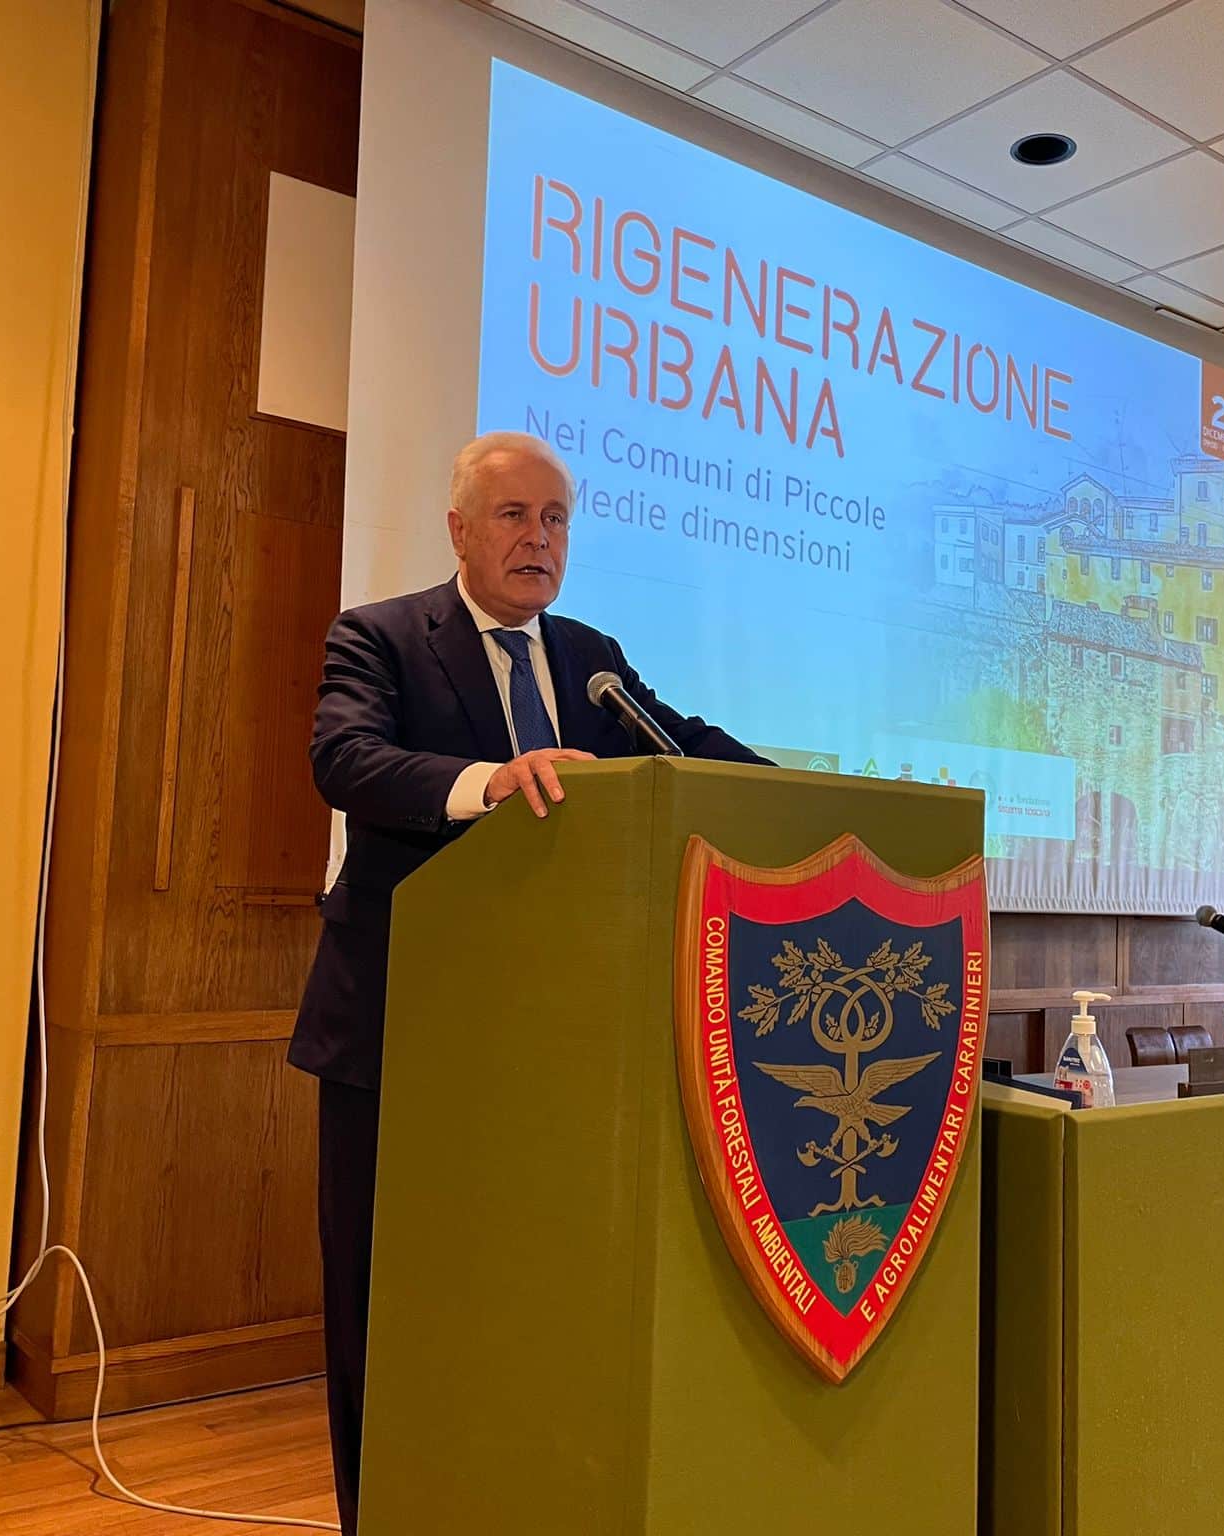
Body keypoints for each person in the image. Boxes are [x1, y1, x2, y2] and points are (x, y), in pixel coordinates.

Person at [288, 430, 763, 1533]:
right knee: (382, 1298)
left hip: (550, 1041)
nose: (537, 538)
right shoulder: (382, 636)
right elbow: (343, 759)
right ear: (460, 530)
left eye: (554, 519)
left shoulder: (588, 656)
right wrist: (489, 782)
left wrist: (804, 793)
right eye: (513, 516)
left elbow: (678, 741)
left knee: (518, 1297)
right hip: (398, 1029)